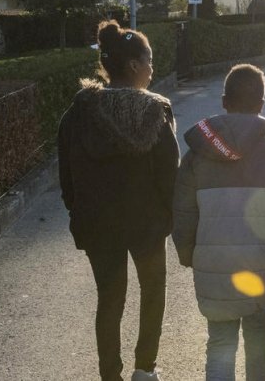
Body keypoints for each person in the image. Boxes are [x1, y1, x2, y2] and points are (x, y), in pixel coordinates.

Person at [58, 20, 180, 381]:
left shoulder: (78, 113)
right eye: (150, 60)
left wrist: (77, 208)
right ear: (133, 66)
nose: (152, 68)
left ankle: (109, 374)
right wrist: (170, 216)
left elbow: (66, 173)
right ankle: (145, 369)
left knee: (109, 298)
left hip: (98, 223)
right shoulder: (155, 111)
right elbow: (168, 173)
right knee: (153, 292)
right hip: (147, 223)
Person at [172, 64, 265, 381]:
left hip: (213, 266)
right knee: (259, 337)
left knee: (220, 342)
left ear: (224, 101)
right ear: (261, 103)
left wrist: (187, 254)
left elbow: (183, 212)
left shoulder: (196, 156)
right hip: (260, 267)